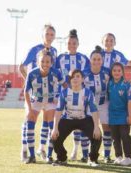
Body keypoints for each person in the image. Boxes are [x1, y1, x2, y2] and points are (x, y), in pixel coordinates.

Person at [19, 24, 58, 162]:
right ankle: (24, 150)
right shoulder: (34, 49)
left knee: (47, 123)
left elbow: (55, 72)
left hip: (48, 95)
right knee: (28, 120)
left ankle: (42, 149)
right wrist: (31, 84)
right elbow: (21, 66)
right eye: (47, 34)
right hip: (34, 94)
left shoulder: (54, 51)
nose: (49, 37)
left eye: (52, 34)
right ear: (43, 35)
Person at [51, 69, 102, 167]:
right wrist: (55, 128)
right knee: (54, 137)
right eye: (72, 77)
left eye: (78, 76)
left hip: (84, 119)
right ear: (69, 80)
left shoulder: (88, 93)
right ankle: (62, 159)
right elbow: (58, 111)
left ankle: (92, 160)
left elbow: (94, 110)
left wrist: (96, 127)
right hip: (68, 119)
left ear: (82, 79)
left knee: (97, 136)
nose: (75, 79)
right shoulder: (64, 93)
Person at [23, 49, 64, 164]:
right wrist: (30, 109)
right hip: (36, 100)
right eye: (42, 61)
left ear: (51, 63)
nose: (45, 64)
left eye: (47, 62)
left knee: (52, 126)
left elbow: (65, 86)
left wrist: (59, 97)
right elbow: (26, 92)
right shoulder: (32, 74)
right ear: (37, 62)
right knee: (29, 123)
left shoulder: (56, 72)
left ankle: (49, 155)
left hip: (51, 101)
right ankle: (32, 156)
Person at [55, 29, 90, 162]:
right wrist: (64, 84)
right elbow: (57, 74)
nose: (72, 45)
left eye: (74, 43)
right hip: (65, 95)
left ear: (78, 44)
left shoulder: (83, 58)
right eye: (69, 43)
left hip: (80, 94)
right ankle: (71, 150)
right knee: (68, 122)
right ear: (66, 44)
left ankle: (80, 151)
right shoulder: (61, 58)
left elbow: (85, 76)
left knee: (80, 121)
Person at [83, 46, 111, 163]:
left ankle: (107, 155)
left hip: (104, 103)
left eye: (99, 59)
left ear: (102, 60)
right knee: (88, 129)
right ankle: (85, 155)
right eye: (94, 59)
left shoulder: (107, 72)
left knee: (106, 128)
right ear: (90, 60)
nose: (96, 61)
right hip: (90, 106)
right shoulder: (84, 73)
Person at [108, 62, 131, 166]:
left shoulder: (126, 85)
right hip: (112, 115)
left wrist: (130, 115)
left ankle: (128, 157)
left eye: (119, 71)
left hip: (124, 115)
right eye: (114, 70)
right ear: (111, 72)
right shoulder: (109, 83)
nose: (116, 72)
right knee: (115, 137)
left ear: (122, 72)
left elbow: (130, 102)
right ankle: (118, 156)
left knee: (125, 136)